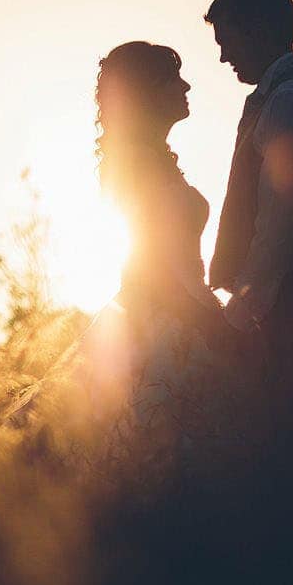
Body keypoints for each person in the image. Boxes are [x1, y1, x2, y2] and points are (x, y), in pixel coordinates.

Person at [203, 0, 293, 425]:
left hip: (288, 303)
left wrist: (243, 310)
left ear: (259, 29)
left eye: (228, 40)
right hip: (282, 298)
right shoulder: (276, 99)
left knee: (281, 447)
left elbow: (285, 217)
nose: (223, 55)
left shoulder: (291, 102)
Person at [71, 41, 230, 429]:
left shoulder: (152, 159)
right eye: (175, 78)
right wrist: (205, 321)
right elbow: (148, 255)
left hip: (180, 308)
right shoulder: (136, 163)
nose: (187, 87)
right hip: (163, 316)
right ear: (148, 92)